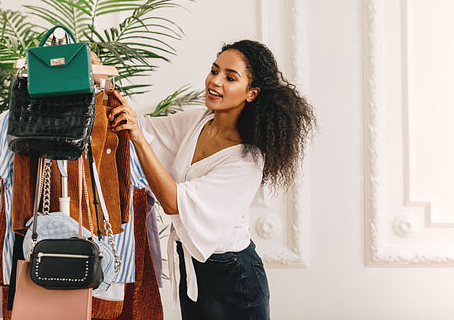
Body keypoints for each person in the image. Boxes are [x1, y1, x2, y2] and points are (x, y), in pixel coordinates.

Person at [108, 40, 316, 320]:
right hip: (192, 267)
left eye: (230, 77)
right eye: (214, 70)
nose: (215, 81)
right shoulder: (199, 121)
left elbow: (172, 202)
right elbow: (145, 129)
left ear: (251, 93)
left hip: (233, 277)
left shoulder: (246, 159)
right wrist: (105, 86)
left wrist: (136, 134)